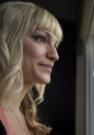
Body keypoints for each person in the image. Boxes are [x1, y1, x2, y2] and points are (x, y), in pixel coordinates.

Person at [0, 1, 63, 135]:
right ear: (8, 41)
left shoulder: (26, 117)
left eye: (56, 45)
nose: (55, 55)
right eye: (41, 39)